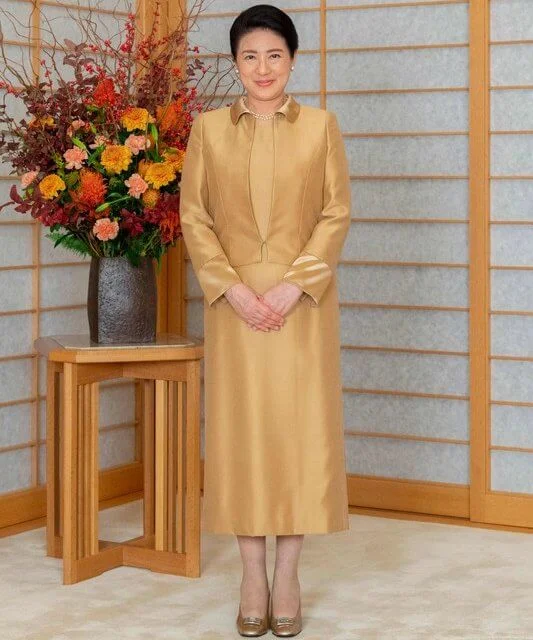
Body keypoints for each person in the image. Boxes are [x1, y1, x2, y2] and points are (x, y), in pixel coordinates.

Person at [179, 4, 351, 636]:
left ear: (293, 61)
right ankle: (251, 574)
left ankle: (289, 573)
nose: (262, 67)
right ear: (234, 64)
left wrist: (293, 287)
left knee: (298, 434)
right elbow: (193, 216)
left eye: (274, 55)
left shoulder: (322, 127)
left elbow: (335, 213)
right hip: (235, 307)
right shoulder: (208, 130)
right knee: (242, 435)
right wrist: (230, 289)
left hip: (300, 307)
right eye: (249, 56)